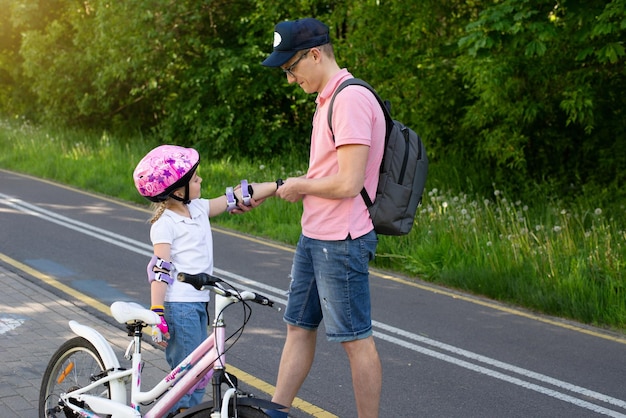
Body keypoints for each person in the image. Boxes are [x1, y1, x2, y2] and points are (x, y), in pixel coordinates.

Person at [261, 18, 385, 418]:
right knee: (298, 326)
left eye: (290, 68)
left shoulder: (349, 99)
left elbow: (349, 182)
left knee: (355, 340)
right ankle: (276, 412)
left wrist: (301, 185)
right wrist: (287, 186)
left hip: (341, 239)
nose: (290, 78)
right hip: (315, 234)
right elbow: (328, 172)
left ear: (315, 54)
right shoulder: (327, 99)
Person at [132, 144, 278, 415]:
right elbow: (160, 269)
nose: (200, 180)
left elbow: (238, 195)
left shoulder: (197, 208)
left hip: (199, 303)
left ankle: (183, 412)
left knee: (198, 374)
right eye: (195, 178)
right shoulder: (166, 224)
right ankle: (178, 413)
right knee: (188, 380)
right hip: (180, 307)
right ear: (178, 190)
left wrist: (279, 186)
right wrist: (157, 313)